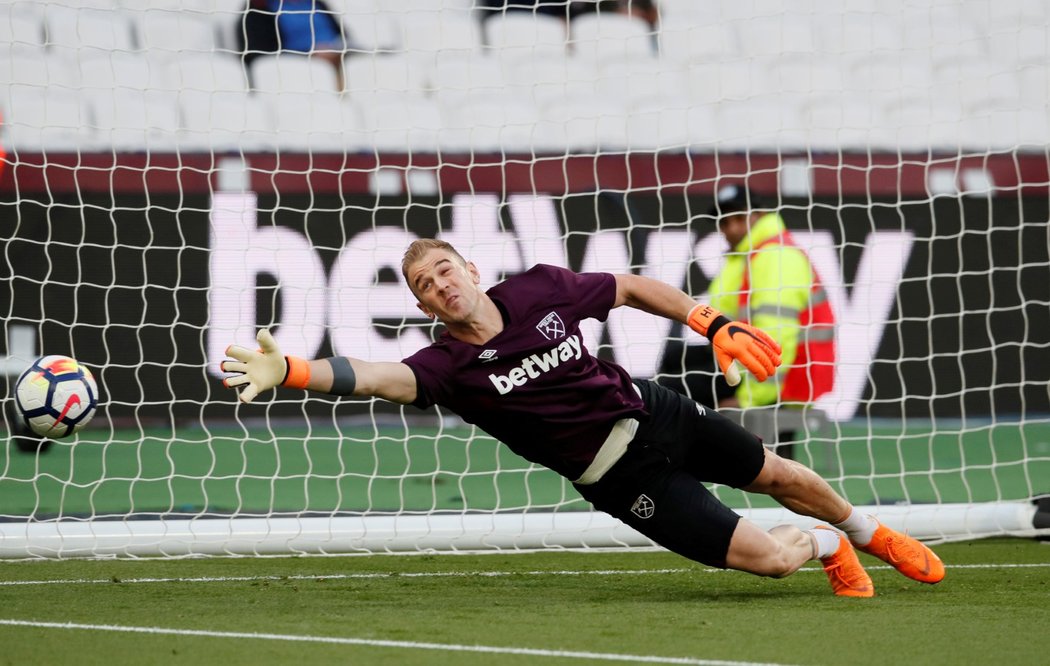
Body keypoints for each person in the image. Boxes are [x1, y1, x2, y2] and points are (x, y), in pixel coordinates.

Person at [220, 238, 943, 597]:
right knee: (770, 560)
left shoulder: (540, 289)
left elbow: (626, 286)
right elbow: (376, 376)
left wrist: (709, 320)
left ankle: (870, 532)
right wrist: (292, 370)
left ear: (470, 270)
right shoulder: (446, 368)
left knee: (777, 470)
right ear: (423, 308)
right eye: (424, 286)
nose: (441, 287)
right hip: (618, 477)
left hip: (654, 412)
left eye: (445, 270)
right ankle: (823, 544)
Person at [705, 184, 836, 460]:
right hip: (765, 372)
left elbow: (776, 339)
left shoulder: (776, 257)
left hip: (787, 380)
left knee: (675, 386)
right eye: (723, 222)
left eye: (738, 219)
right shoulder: (748, 255)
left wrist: (746, 399)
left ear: (758, 215)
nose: (730, 228)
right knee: (676, 362)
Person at [238, 0, 348, 90]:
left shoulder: (317, 4)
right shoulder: (259, 7)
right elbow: (257, 51)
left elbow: (344, 35)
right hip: (296, 60)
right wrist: (311, 54)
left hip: (337, 54)